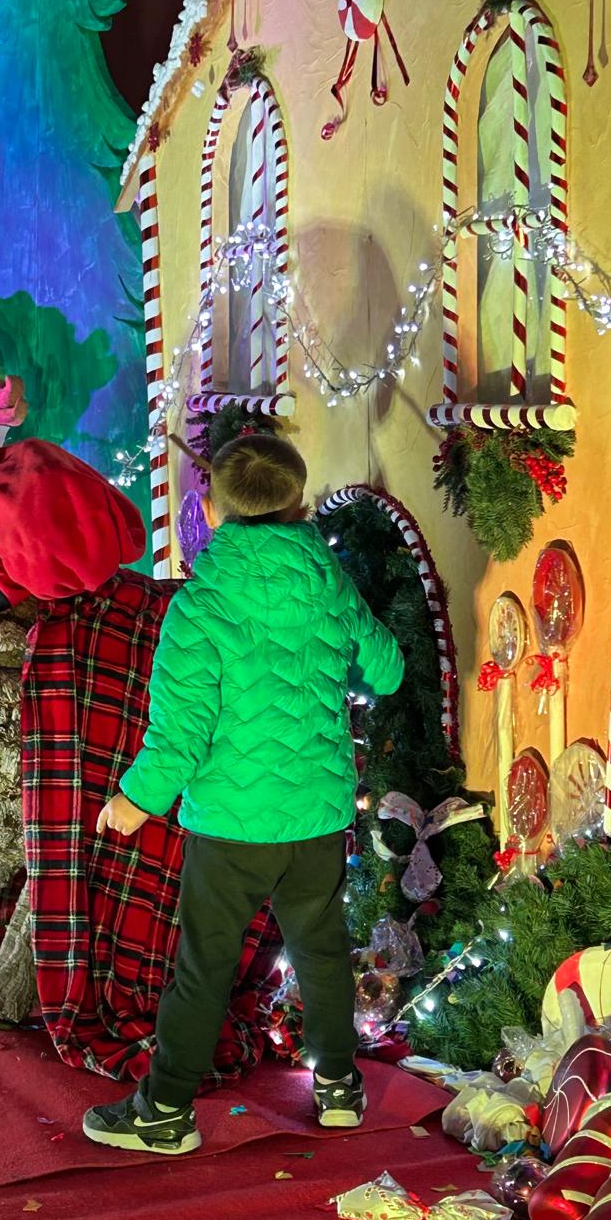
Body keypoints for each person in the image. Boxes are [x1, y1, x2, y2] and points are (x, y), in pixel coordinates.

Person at [83, 434, 404, 1155]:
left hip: (230, 826)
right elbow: (386, 671)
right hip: (317, 817)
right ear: (298, 501)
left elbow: (180, 735)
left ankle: (165, 1111)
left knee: (204, 965)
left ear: (208, 508)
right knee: (322, 952)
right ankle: (338, 1089)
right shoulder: (328, 582)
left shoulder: (199, 608)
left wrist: (134, 802)